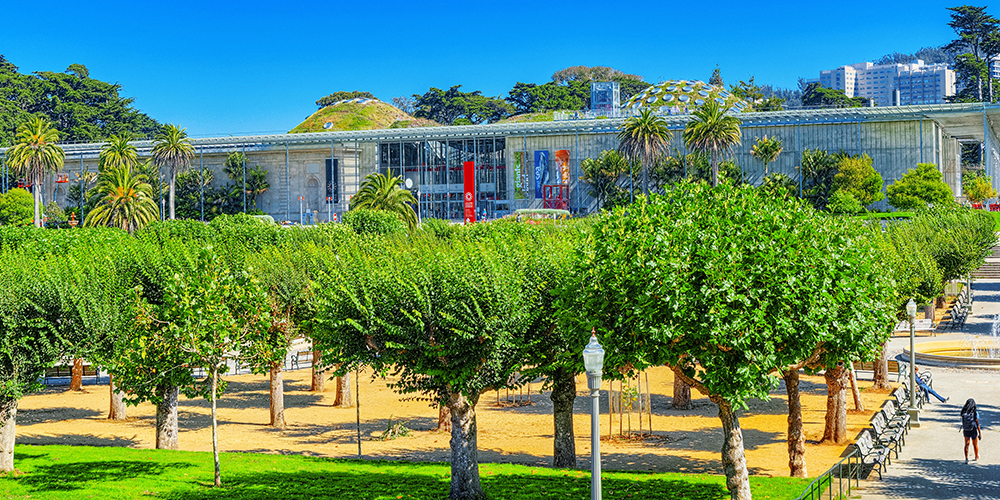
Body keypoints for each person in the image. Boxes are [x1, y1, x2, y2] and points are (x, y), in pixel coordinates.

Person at [961, 398, 982, 464]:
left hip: (966, 430)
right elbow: (977, 423)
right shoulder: (975, 412)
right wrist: (980, 433)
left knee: (966, 444)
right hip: (973, 430)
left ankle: (966, 459)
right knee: (975, 444)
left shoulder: (963, 412)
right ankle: (976, 456)